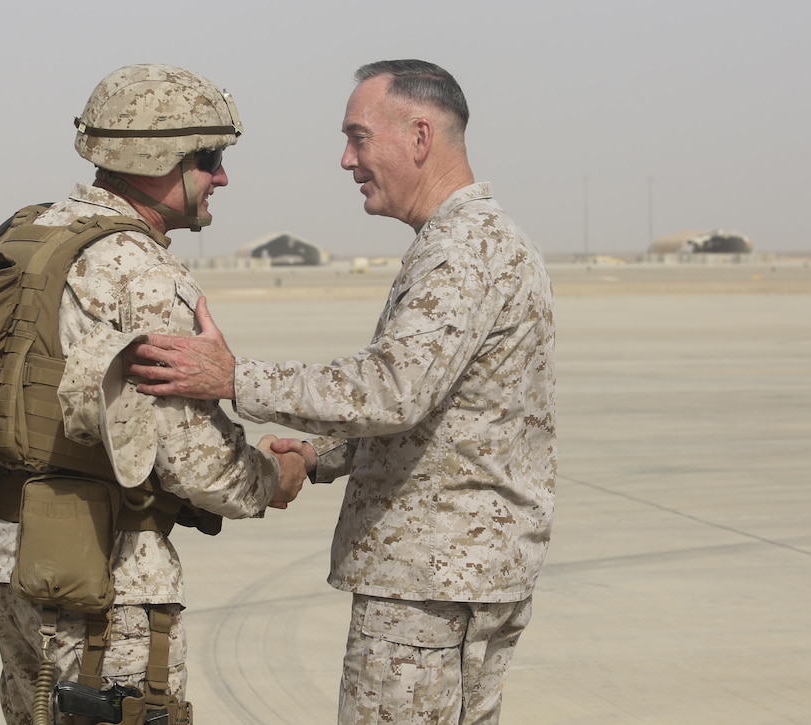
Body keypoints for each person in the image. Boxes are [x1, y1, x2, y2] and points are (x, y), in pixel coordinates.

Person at [127, 59, 556, 725]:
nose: (345, 159)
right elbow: (437, 407)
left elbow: (392, 390)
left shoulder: (462, 252)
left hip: (428, 585)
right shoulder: (477, 242)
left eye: (358, 138)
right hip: (463, 575)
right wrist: (319, 453)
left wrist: (233, 377)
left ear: (418, 137)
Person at [0, 63, 307, 725]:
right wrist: (275, 474)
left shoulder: (30, 239)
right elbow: (193, 459)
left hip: (6, 561)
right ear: (158, 160)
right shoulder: (138, 272)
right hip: (102, 584)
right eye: (209, 158)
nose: (222, 176)